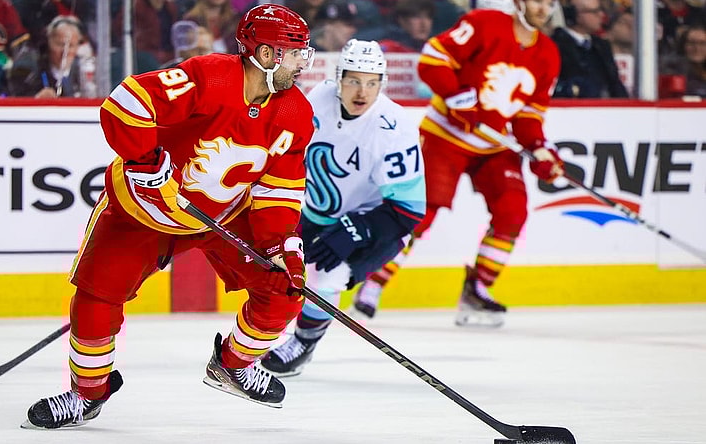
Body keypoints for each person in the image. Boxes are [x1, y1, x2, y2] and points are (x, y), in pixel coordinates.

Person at [21, 3, 316, 429]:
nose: (300, 64)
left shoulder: (295, 112)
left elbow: (278, 189)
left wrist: (280, 244)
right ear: (266, 55)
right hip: (142, 210)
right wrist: (144, 160)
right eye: (294, 54)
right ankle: (87, 395)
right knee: (94, 304)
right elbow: (125, 103)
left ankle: (232, 365)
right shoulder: (209, 76)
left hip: (220, 217)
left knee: (284, 289)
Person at [350, 0, 564, 328]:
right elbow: (433, 59)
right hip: (444, 136)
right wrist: (456, 97)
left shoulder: (548, 53)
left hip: (493, 145)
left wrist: (539, 149)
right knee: (420, 213)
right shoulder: (484, 23)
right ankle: (374, 282)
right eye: (538, 0)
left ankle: (477, 290)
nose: (543, 8)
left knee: (512, 211)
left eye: (550, 2)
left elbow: (528, 117)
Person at [259, 39, 425, 377]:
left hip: (376, 223)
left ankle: (304, 343)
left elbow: (408, 211)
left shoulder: (395, 126)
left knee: (325, 277)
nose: (362, 91)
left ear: (383, 83)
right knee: (272, 268)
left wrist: (356, 229)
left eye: (372, 82)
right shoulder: (318, 99)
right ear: (338, 79)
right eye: (353, 80)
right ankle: (261, 332)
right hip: (315, 212)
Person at [551, 0, 629, 98]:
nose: (601, 15)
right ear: (576, 15)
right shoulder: (555, 44)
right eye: (594, 11)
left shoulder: (601, 46)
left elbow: (615, 83)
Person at [8, 15, 96, 98]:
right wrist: (35, 99)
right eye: (60, 44)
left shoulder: (84, 70)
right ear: (48, 42)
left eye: (71, 46)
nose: (65, 52)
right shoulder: (28, 70)